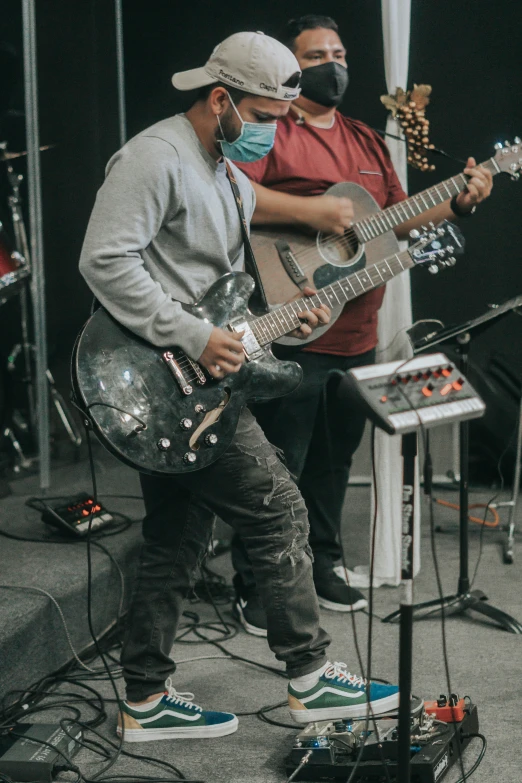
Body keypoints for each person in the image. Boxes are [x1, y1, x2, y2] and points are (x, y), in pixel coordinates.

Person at [79, 31, 400, 743]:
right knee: (281, 508)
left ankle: (146, 697)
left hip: (198, 385)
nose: (273, 132)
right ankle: (312, 676)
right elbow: (103, 261)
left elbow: (213, 293)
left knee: (176, 535)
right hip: (160, 376)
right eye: (263, 116)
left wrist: (288, 316)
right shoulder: (154, 158)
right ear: (219, 98)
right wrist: (194, 338)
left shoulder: (223, 169)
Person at [231, 15, 493, 636]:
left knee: (331, 459)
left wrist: (458, 199)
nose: (333, 63)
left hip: (357, 326)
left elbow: (397, 217)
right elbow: (235, 197)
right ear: (292, 68)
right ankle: (258, 583)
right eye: (317, 54)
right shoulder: (270, 131)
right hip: (292, 320)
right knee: (280, 461)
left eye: (340, 52)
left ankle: (320, 564)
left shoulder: (368, 140)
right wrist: (314, 209)